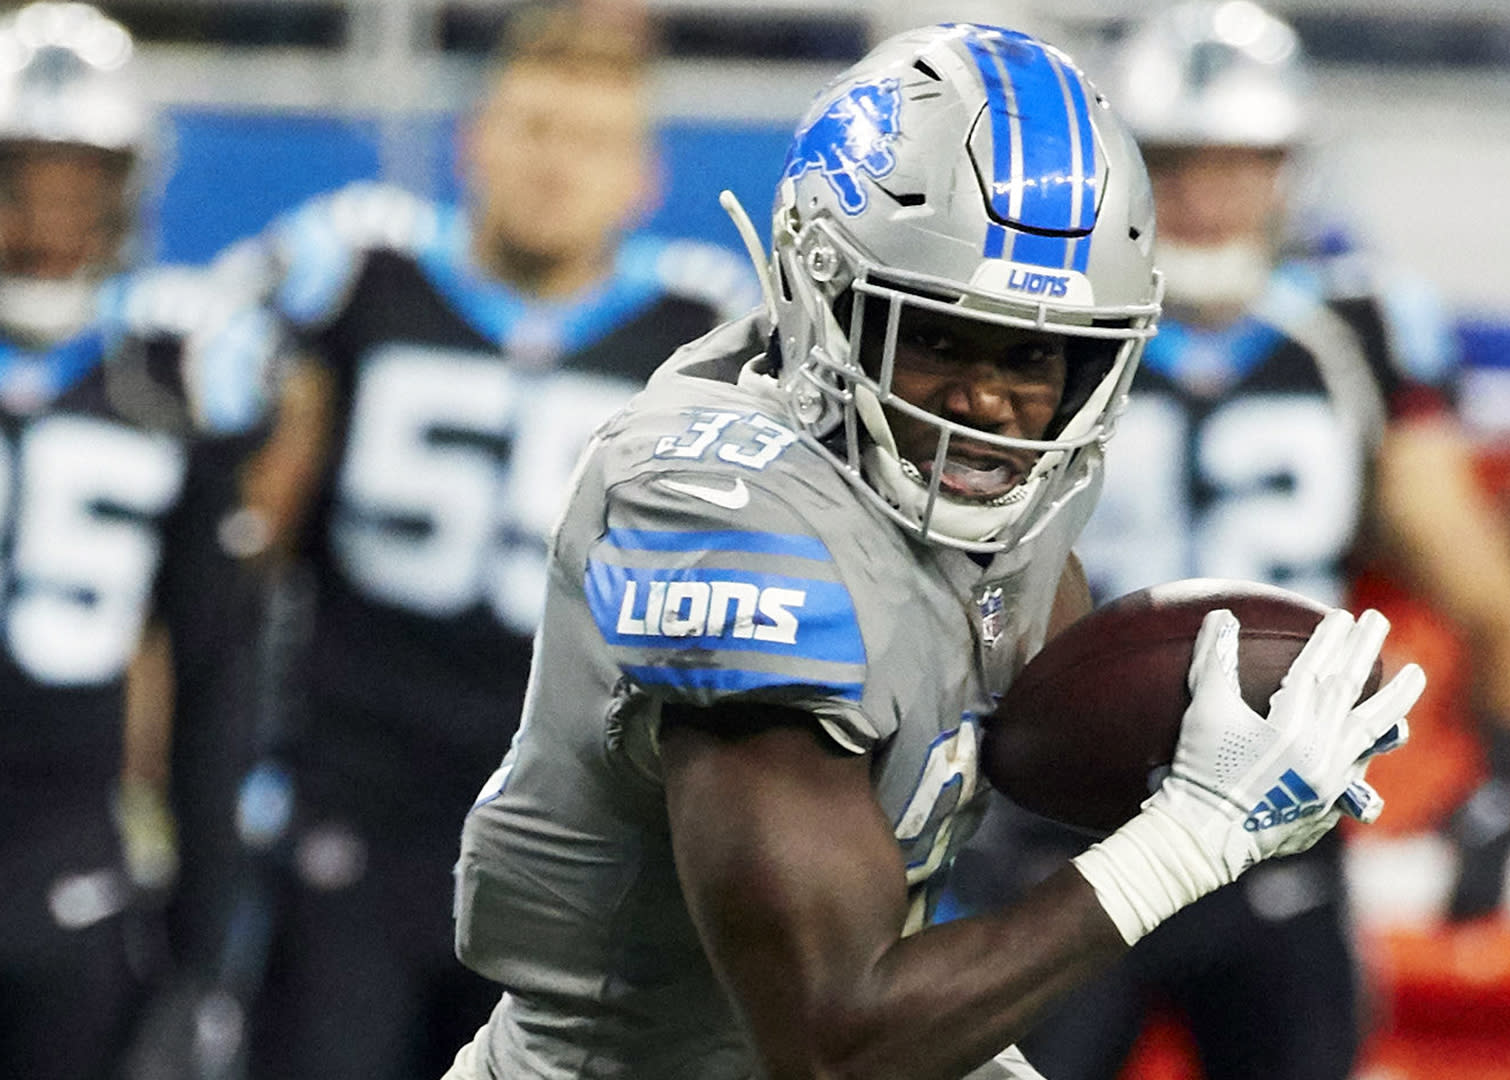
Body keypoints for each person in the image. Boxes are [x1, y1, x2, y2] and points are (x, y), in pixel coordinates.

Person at [443, 21, 1426, 1080]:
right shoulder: (725, 510)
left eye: (1036, 355)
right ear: (825, 297)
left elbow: (1043, 746)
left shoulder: (1017, 494)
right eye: (939, 337)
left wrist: (1227, 759)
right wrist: (1192, 836)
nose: (988, 404)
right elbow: (832, 1045)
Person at [949, 6, 1510, 1079]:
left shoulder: (1349, 328)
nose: (1205, 196)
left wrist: (1507, 776)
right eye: (1178, 163)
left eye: (1239, 163)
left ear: (1288, 169)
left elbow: (1482, 585)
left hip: (1282, 826)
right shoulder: (1046, 323)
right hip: (1067, 826)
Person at [218, 7, 754, 1078]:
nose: (557, 166)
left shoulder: (704, 339)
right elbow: (241, 549)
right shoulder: (359, 277)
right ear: (474, 143)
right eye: (534, 130)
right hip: (358, 802)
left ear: (644, 178)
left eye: (592, 141)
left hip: (581, 838)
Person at [0, 4, 278, 1077]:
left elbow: (215, 680)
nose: (47, 220)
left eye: (79, 185)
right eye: (21, 182)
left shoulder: (173, 381)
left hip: (72, 870)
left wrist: (202, 953)